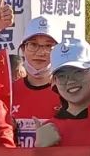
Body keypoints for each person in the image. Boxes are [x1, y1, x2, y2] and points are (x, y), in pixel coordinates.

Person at [12, 17, 63, 147]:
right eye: (33, 45)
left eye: (48, 46)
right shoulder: (9, 93)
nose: (40, 52)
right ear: (23, 49)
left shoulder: (68, 94)